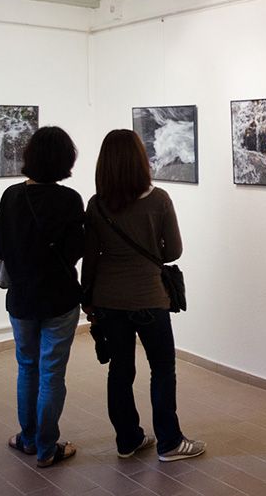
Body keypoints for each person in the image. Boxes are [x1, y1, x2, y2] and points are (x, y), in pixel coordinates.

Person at [81, 129, 205, 462]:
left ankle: (128, 439)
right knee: (162, 369)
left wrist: (87, 298)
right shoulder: (159, 199)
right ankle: (169, 442)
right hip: (150, 297)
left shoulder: (96, 205)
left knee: (120, 370)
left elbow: (90, 257)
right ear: (140, 160)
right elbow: (174, 250)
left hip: (109, 299)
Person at [0, 126, 85, 468]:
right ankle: (47, 448)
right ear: (65, 161)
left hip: (22, 300)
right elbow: (78, 249)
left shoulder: (11, 196)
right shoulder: (70, 200)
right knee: (51, 373)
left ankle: (28, 439)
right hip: (59, 298)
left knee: (27, 368)